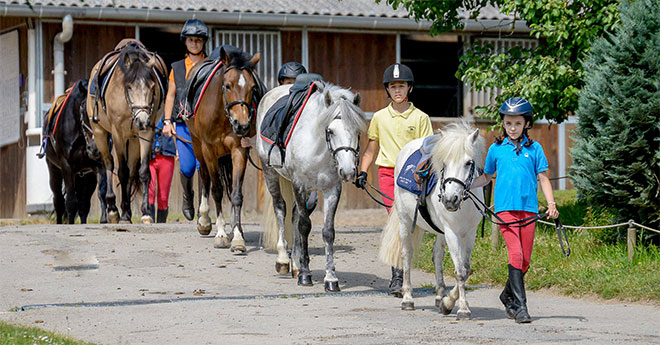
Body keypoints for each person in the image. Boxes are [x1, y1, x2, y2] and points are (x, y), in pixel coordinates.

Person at [470, 97, 559, 323]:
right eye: (508, 123)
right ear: (503, 123)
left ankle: (507, 294)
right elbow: (486, 177)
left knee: (525, 260)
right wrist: (466, 186)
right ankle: (520, 307)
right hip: (505, 210)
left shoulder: (535, 149)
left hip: (529, 209)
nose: (512, 128)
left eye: (517, 123)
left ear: (526, 124)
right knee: (516, 255)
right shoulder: (496, 149)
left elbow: (543, 179)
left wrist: (551, 204)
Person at [354, 63, 434, 297]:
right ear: (387, 90)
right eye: (392, 86)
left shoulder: (421, 118)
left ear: (409, 88)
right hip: (388, 172)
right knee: (397, 220)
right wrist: (363, 171)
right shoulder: (379, 117)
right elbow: (371, 148)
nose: (397, 90)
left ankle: (404, 272)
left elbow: (426, 151)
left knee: (408, 224)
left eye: (401, 86)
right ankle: (397, 277)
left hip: (412, 173)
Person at [162, 19, 208, 221]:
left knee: (204, 166)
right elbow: (171, 95)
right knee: (187, 167)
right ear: (185, 42)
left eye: (198, 40)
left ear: (203, 42)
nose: (195, 44)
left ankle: (203, 206)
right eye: (191, 40)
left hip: (205, 126)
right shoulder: (177, 68)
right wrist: (166, 121)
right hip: (182, 123)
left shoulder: (212, 65)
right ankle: (188, 196)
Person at [148, 116, 177, 223]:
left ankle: (161, 225)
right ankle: (149, 221)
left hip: (167, 155)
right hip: (150, 157)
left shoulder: (169, 113)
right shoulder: (147, 110)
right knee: (150, 191)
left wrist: (179, 150)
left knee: (163, 197)